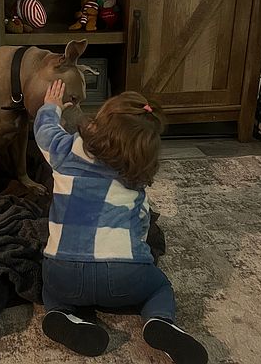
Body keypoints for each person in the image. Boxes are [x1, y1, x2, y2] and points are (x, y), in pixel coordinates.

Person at [33, 80, 208, 363]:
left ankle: (59, 314)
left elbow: (44, 132)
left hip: (64, 274)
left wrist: (51, 108)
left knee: (50, 287)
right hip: (125, 276)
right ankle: (159, 320)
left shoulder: (65, 151)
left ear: (100, 121)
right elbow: (142, 227)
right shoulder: (134, 177)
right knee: (159, 287)